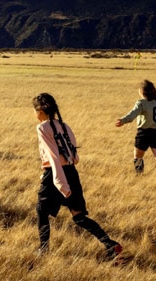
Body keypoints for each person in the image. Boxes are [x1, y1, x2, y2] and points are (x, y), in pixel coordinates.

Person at [34, 93, 122, 260]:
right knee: (79, 217)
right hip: (72, 172)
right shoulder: (65, 126)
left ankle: (43, 249)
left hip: (55, 174)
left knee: (41, 211)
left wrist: (59, 182)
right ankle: (110, 244)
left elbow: (53, 156)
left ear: (40, 111)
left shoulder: (42, 128)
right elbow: (75, 155)